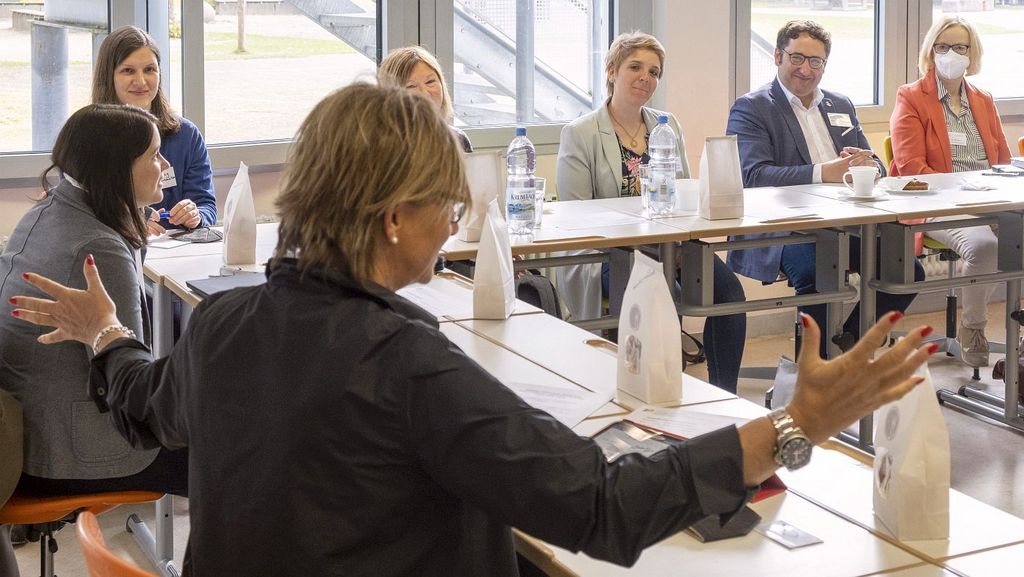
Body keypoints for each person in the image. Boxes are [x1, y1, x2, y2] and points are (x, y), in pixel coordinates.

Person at [10, 83, 933, 576]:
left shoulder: (224, 324)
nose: (456, 222)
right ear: (391, 219)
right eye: (447, 204)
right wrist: (792, 425)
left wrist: (107, 334)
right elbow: (600, 510)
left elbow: (144, 403)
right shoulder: (406, 365)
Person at [0, 104, 188, 574]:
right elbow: (132, 386)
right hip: (69, 451)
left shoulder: (52, 208)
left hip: (32, 432)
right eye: (155, 156)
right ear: (115, 169)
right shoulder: (96, 247)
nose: (165, 168)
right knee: (243, 451)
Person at [557, 31, 748, 392]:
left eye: (654, 72)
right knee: (659, 294)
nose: (646, 78)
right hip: (605, 252)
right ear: (611, 71)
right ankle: (643, 391)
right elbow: (577, 216)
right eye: (635, 67)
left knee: (730, 293)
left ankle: (725, 395)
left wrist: (675, 244)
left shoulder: (666, 125)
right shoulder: (579, 133)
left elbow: (684, 194)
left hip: (668, 245)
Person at [726, 19, 925, 357]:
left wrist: (870, 166)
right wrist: (823, 173)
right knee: (818, 274)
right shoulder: (752, 107)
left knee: (907, 271)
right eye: (797, 58)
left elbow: (873, 161)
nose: (806, 69)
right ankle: (813, 370)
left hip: (846, 222)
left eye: (815, 61)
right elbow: (755, 176)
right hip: (785, 227)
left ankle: (848, 347)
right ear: (778, 56)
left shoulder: (840, 104)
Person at [889, 16, 1011, 368]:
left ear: (972, 55)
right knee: (984, 246)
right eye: (943, 46)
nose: (951, 54)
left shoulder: (983, 100)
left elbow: (1001, 160)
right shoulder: (911, 97)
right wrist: (964, 193)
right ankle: (974, 327)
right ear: (931, 51)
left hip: (989, 200)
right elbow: (910, 167)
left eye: (960, 47)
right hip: (935, 203)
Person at [93, 26, 216, 233]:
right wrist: (129, 223)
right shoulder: (87, 137)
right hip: (116, 251)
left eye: (150, 70)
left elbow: (207, 206)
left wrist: (196, 215)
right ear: (109, 76)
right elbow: (82, 213)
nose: (141, 81)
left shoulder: (186, 135)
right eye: (128, 71)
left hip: (175, 256)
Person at [378, 45, 473, 153]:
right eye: (411, 86)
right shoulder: (381, 145)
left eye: (430, 82)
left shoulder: (457, 139)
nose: (425, 93)